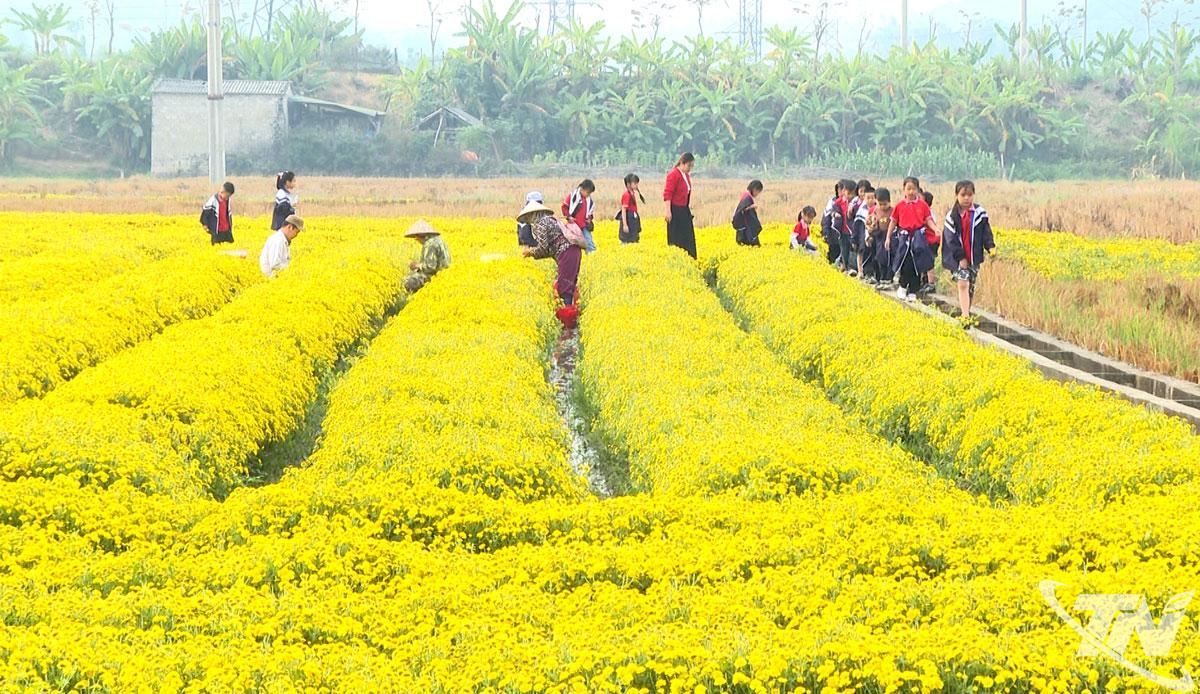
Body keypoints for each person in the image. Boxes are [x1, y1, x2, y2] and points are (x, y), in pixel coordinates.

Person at [520, 198, 588, 326]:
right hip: (573, 252)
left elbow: (543, 248)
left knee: (564, 288)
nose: (528, 220)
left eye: (528, 217)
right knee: (568, 285)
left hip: (567, 254)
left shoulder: (540, 224)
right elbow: (550, 249)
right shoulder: (549, 220)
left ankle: (568, 322)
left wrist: (530, 252)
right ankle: (572, 316)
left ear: (532, 215)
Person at [941, 180, 996, 328]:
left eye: (970, 195)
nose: (966, 198)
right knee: (963, 284)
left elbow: (986, 232)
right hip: (958, 257)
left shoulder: (980, 213)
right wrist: (961, 258)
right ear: (956, 195)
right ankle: (965, 316)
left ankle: (966, 311)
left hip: (974, 256)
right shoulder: (952, 216)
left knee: (970, 286)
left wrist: (990, 246)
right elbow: (950, 239)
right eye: (963, 195)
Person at [885, 176, 938, 301]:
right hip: (904, 238)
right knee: (905, 262)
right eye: (908, 189)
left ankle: (914, 290)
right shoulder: (900, 206)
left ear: (917, 190)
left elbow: (928, 219)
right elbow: (893, 222)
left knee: (917, 264)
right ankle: (903, 286)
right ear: (904, 190)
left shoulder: (923, 205)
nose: (911, 192)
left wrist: (935, 229)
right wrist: (888, 237)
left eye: (913, 189)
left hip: (919, 237)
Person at [403, 220, 452, 294]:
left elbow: (430, 267)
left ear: (420, 236)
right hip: (446, 275)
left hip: (436, 276)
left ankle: (415, 301)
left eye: (416, 238)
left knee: (407, 282)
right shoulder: (440, 240)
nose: (417, 241)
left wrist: (416, 266)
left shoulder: (430, 244)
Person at [664, 152, 697, 259]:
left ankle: (690, 260)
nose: (690, 169)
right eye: (689, 166)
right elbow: (668, 194)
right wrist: (668, 211)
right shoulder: (673, 175)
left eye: (691, 166)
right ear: (682, 163)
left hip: (684, 210)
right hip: (675, 210)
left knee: (687, 238)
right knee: (677, 238)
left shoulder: (686, 176)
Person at [562, 179, 597, 253]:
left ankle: (592, 257)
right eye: (587, 192)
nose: (588, 194)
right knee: (572, 243)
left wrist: (589, 219)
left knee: (589, 242)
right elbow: (564, 207)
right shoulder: (572, 196)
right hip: (573, 225)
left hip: (584, 225)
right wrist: (568, 217)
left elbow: (590, 212)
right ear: (581, 189)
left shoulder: (589, 200)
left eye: (590, 193)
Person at [852, 184, 878, 282]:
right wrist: (854, 239)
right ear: (864, 198)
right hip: (861, 237)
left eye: (872, 198)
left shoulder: (877, 210)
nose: (870, 200)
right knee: (861, 253)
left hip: (873, 238)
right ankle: (860, 272)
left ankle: (870, 274)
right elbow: (856, 226)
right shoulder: (861, 211)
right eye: (868, 198)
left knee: (871, 255)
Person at [870, 188, 894, 289]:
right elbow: (872, 223)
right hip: (879, 236)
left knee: (890, 257)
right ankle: (881, 277)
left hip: (890, 236)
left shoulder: (893, 211)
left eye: (885, 204)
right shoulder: (875, 210)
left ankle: (889, 278)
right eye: (880, 204)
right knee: (880, 257)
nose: (883, 207)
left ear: (889, 201)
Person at [833, 178, 857, 275]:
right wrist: (835, 214)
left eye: (853, 194)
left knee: (852, 249)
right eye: (848, 193)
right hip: (842, 231)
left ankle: (851, 267)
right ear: (844, 191)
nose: (850, 196)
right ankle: (846, 266)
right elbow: (834, 210)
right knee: (844, 249)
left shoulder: (855, 203)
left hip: (852, 230)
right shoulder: (839, 202)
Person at [732, 179, 764, 247]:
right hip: (746, 231)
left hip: (745, 229)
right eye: (758, 192)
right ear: (754, 189)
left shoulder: (746, 195)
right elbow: (742, 210)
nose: (757, 194)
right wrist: (752, 206)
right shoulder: (747, 196)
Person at [921, 189, 940, 295]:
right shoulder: (928, 212)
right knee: (926, 262)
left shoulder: (928, 213)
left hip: (932, 241)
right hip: (929, 240)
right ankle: (927, 282)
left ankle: (931, 284)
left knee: (929, 262)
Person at [618, 174, 644, 244]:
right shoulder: (627, 195)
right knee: (626, 240)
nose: (636, 185)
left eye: (637, 183)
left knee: (634, 239)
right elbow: (623, 210)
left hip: (632, 220)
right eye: (635, 183)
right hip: (628, 220)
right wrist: (625, 224)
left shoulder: (632, 194)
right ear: (628, 184)